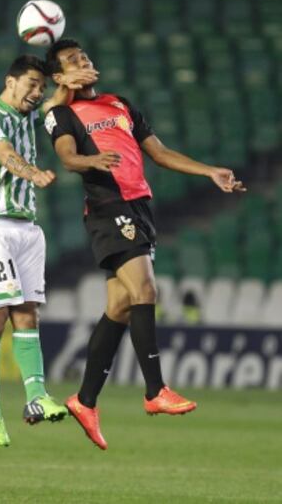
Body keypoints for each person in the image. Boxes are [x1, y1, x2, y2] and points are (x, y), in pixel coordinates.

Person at [44, 39, 246, 450]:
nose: (82, 62)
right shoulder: (60, 113)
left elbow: (160, 152)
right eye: (71, 62)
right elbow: (66, 157)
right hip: (107, 207)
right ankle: (155, 390)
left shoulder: (120, 104)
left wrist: (210, 172)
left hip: (138, 207)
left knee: (119, 306)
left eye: (84, 57)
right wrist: (90, 161)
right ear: (59, 77)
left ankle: (85, 401)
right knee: (146, 290)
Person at [0, 54, 98, 447]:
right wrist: (34, 173)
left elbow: (57, 103)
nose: (37, 93)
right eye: (31, 85)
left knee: (26, 315)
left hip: (27, 229)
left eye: (42, 87)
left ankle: (37, 397)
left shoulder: (31, 112)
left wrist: (68, 81)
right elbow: (4, 152)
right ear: (11, 82)